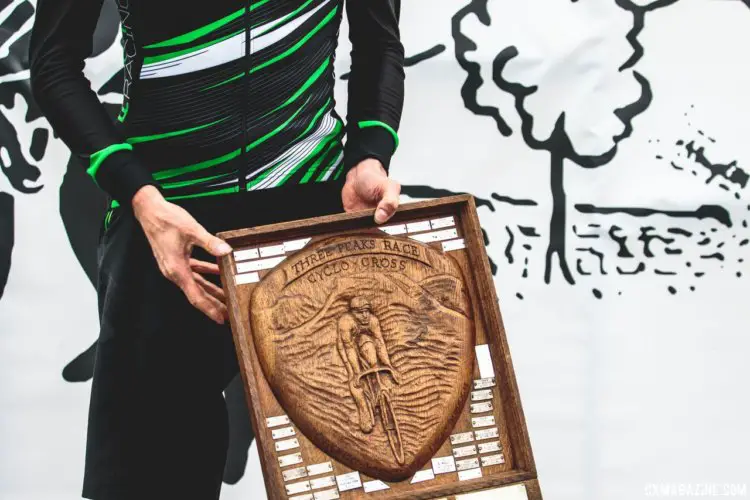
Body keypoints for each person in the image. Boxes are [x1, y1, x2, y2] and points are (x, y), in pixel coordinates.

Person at [28, 0, 404, 498]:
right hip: (168, 221)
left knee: (353, 472)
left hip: (310, 203)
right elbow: (54, 63)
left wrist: (368, 157)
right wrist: (141, 197)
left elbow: (379, 41)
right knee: (148, 485)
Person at [337, 296, 399, 433]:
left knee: (372, 354)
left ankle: (382, 394)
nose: (364, 315)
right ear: (352, 312)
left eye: (366, 311)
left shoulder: (372, 320)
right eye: (360, 312)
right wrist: (355, 372)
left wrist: (389, 365)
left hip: (365, 342)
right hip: (347, 349)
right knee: (354, 380)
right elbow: (348, 348)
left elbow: (380, 343)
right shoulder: (345, 322)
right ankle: (363, 408)